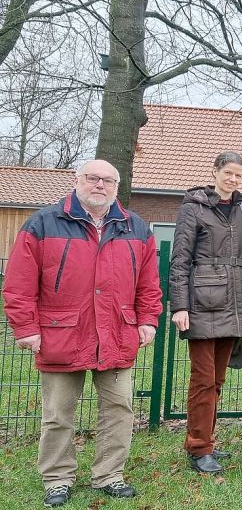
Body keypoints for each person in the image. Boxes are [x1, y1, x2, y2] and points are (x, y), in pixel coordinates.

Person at [3, 159, 163, 507]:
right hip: (61, 333)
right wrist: (26, 327)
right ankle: (58, 478)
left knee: (119, 409)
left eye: (108, 180)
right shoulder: (43, 223)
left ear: (116, 187)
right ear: (77, 180)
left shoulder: (135, 227)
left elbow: (149, 284)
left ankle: (109, 475)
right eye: (92, 177)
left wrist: (148, 319)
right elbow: (19, 283)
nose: (99, 185)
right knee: (59, 413)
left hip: (117, 333)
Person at [169, 151, 242, 474]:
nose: (233, 179)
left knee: (218, 380)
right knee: (203, 380)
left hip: (234, 305)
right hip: (202, 304)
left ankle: (205, 440)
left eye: (239, 174)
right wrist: (179, 305)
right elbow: (179, 260)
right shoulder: (193, 208)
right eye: (228, 173)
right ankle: (198, 447)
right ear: (215, 172)